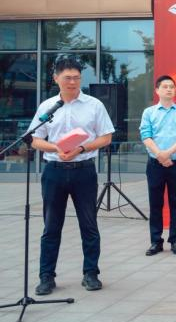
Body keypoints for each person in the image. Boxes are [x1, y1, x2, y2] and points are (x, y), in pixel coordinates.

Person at [31, 57, 114, 295]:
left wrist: (81, 148)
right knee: (51, 227)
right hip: (54, 171)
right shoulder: (47, 106)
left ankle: (91, 273)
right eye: (67, 78)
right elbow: (35, 139)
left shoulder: (94, 105)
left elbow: (106, 137)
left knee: (89, 225)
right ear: (56, 78)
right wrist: (55, 147)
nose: (72, 82)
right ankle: (46, 276)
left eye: (76, 78)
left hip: (83, 170)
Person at [139, 75, 176, 256]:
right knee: (155, 203)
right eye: (165, 86)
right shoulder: (149, 112)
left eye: (172, 87)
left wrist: (167, 154)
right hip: (155, 164)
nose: (169, 89)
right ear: (157, 90)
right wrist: (160, 155)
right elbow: (146, 136)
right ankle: (156, 241)